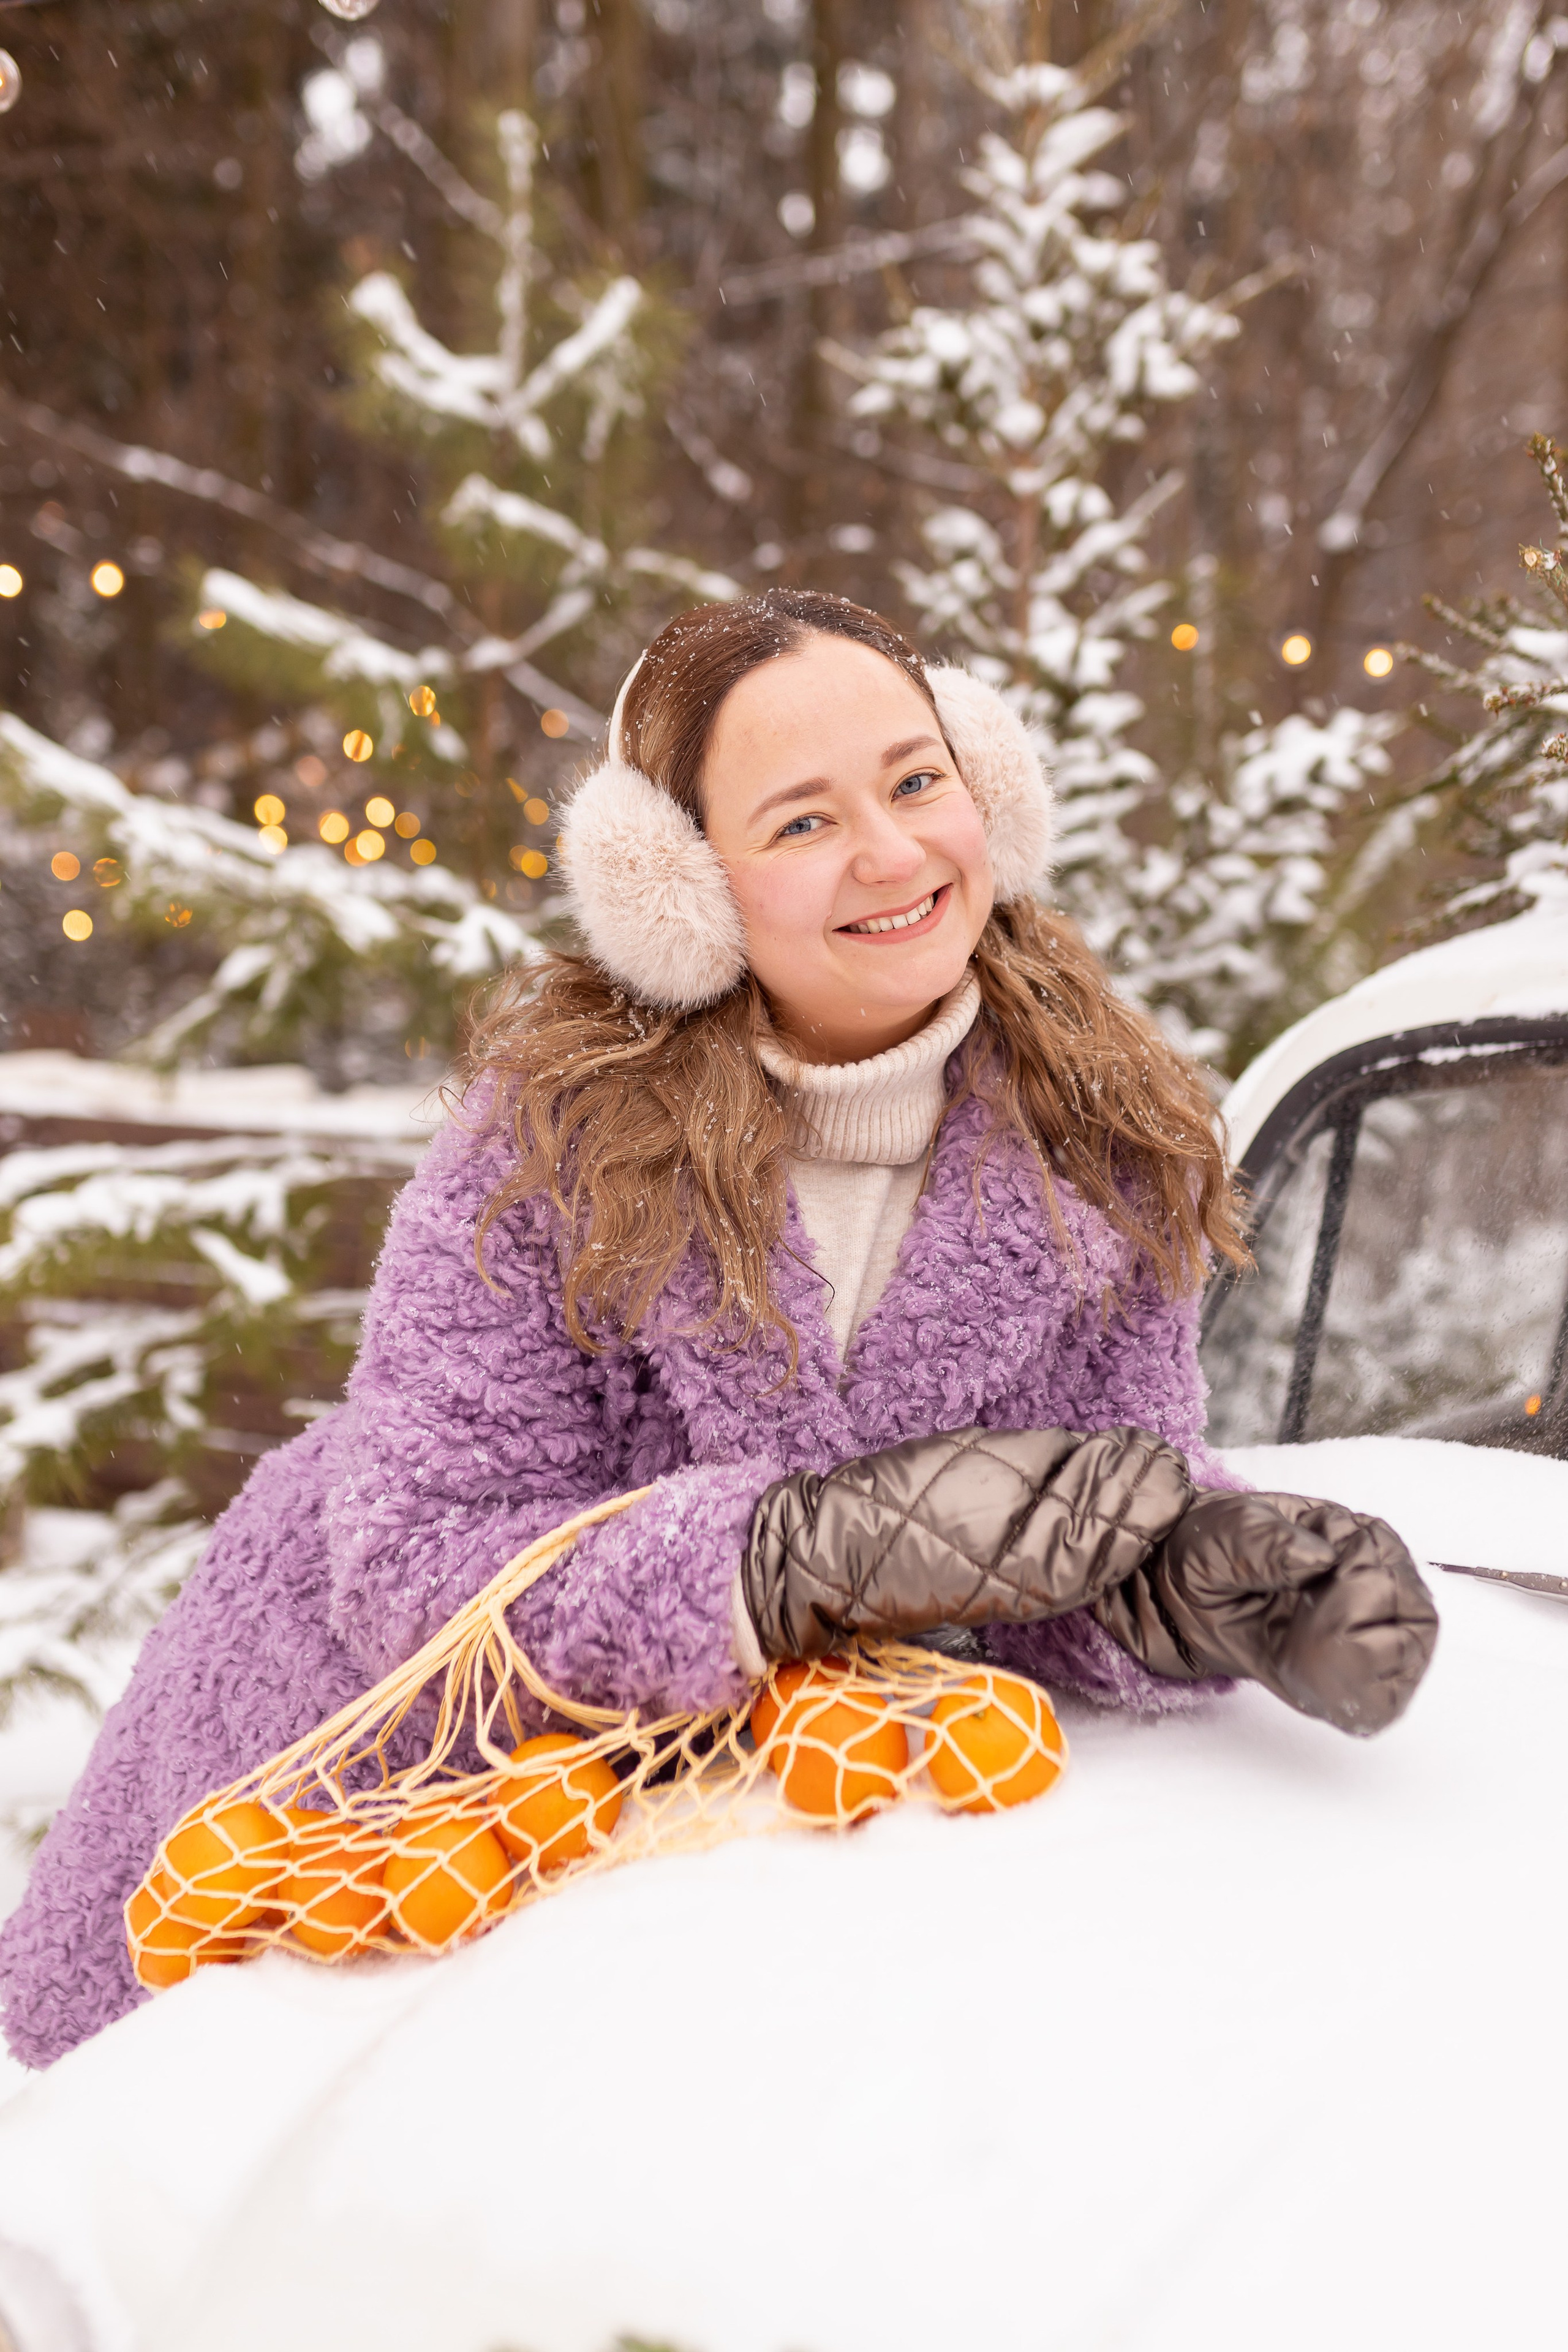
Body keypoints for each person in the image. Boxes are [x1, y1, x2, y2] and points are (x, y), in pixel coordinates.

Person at [0, 589, 1438, 2069]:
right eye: (802, 822)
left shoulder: (1103, 1141)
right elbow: (417, 1563)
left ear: (988, 792)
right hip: (368, 1788)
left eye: (915, 780)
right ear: (675, 893)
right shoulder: (547, 1146)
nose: (891, 854)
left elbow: (1057, 1509)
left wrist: (1190, 1577)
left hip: (756, 1873)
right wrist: (786, 1556)